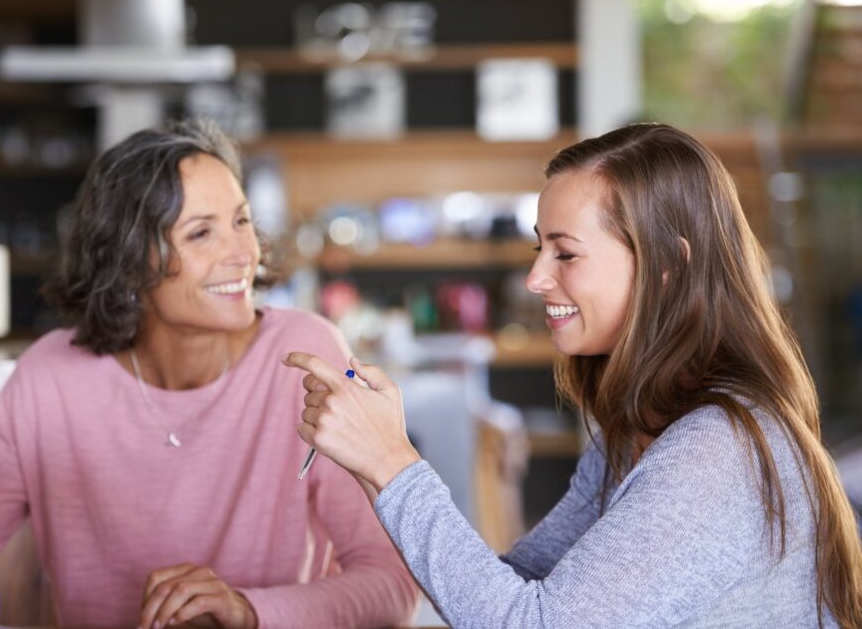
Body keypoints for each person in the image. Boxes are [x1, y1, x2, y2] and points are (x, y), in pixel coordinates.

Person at [285, 123, 862, 628]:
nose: (535, 278)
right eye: (540, 248)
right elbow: (515, 584)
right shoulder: (636, 428)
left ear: (667, 265)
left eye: (565, 254)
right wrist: (372, 458)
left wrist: (392, 463)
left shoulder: (716, 451)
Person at [0, 120, 418, 629]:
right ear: (128, 261)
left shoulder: (303, 355)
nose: (242, 254)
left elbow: (393, 585)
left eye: (241, 221)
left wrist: (247, 611)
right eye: (201, 233)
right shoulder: (49, 378)